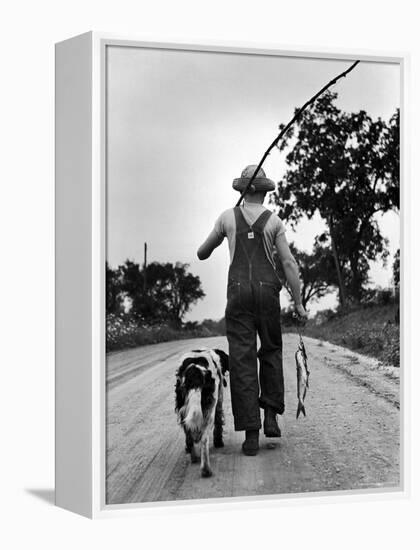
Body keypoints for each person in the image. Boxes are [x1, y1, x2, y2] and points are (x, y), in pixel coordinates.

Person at [197, 164, 307, 456]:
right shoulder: (274, 221)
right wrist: (298, 303)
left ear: (242, 190)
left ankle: (250, 434)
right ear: (264, 191)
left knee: (243, 360)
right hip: (267, 294)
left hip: (238, 295)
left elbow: (202, 252)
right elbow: (288, 264)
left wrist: (225, 229)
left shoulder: (226, 217)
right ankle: (271, 414)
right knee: (270, 351)